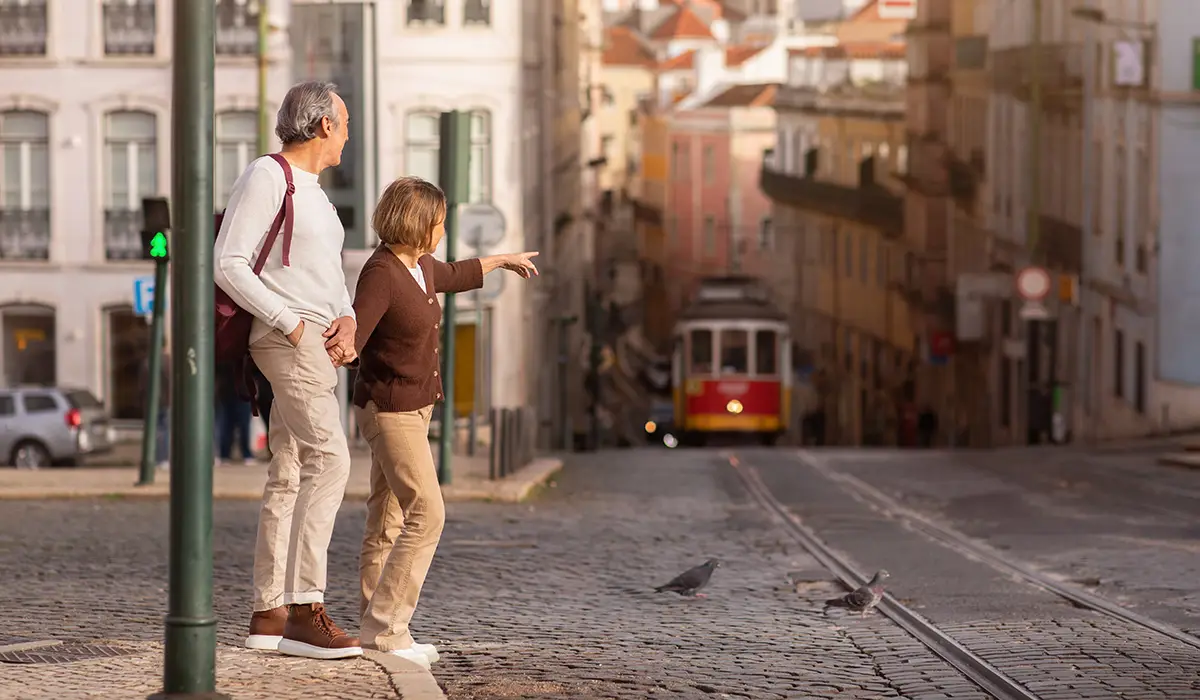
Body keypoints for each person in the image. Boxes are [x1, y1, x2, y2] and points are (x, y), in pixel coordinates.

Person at [352, 176, 538, 668]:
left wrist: (502, 260)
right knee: (427, 513)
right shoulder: (382, 273)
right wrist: (334, 341)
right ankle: (387, 630)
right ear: (417, 224)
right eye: (438, 222)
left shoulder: (420, 267)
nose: (443, 229)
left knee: (388, 519)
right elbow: (355, 334)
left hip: (413, 407)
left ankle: (377, 625)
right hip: (389, 409)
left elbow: (455, 273)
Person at [213, 80, 361, 660]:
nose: (348, 136)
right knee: (332, 457)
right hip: (288, 337)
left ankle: (269, 612)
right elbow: (229, 263)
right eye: (345, 125)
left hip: (319, 342)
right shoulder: (267, 175)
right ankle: (305, 606)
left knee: (292, 467)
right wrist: (290, 323)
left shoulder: (318, 194)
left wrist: (346, 319)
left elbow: (326, 276)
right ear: (324, 125)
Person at [215, 360, 255, 465]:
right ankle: (228, 454)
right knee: (228, 425)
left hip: (238, 392)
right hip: (230, 392)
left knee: (237, 425)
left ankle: (235, 454)